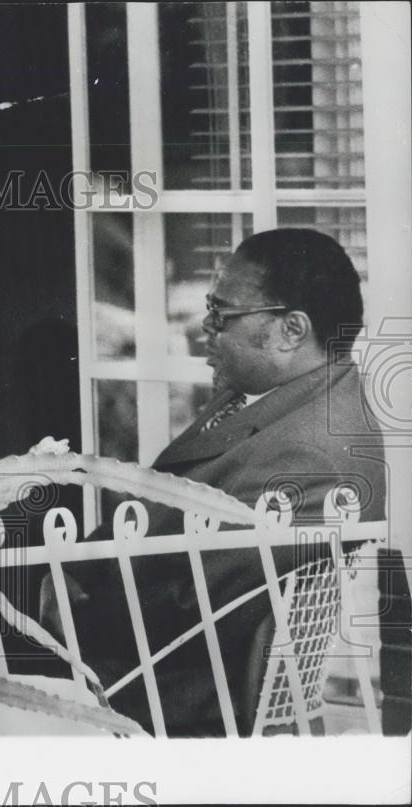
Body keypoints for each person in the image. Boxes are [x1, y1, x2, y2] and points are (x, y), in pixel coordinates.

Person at [40, 228, 387, 736]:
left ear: (292, 329)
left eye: (223, 314)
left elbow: (197, 604)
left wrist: (69, 613)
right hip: (139, 661)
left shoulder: (310, 453)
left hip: (161, 696)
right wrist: (73, 569)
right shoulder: (271, 399)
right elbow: (155, 501)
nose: (205, 326)